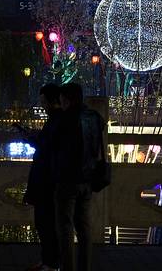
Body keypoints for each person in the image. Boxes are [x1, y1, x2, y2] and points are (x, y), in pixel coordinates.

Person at [52, 82, 105, 271]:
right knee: (84, 227)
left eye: (62, 100)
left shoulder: (65, 118)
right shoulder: (95, 117)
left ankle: (68, 268)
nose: (61, 104)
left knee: (65, 227)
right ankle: (85, 267)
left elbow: (53, 144)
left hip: (67, 179)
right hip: (88, 178)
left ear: (67, 99)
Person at [20, 83, 63, 271]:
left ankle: (51, 262)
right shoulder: (57, 120)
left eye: (44, 101)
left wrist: (31, 139)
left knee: (46, 223)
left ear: (52, 101)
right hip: (48, 179)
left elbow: (47, 147)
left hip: (47, 180)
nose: (42, 105)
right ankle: (48, 260)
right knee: (45, 223)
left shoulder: (56, 120)